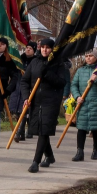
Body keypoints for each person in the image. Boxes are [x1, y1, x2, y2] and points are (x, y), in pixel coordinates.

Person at [21, 38, 70, 172]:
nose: (44, 50)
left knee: (44, 130)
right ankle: (49, 156)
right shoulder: (34, 62)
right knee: (39, 130)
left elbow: (61, 82)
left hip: (51, 101)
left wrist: (47, 73)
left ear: (52, 49)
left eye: (48, 47)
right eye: (42, 47)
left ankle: (35, 162)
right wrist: (26, 97)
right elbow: (24, 81)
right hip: (35, 101)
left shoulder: (58, 64)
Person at [69, 50, 97, 160]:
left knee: (96, 129)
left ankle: (95, 150)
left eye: (90, 56)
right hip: (83, 103)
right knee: (81, 128)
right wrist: (77, 96)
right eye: (86, 56)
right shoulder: (80, 70)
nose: (88, 58)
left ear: (96, 57)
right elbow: (74, 85)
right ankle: (80, 152)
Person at [9, 43, 37, 142]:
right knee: (17, 112)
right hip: (18, 87)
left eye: (30, 48)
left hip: (28, 88)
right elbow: (13, 71)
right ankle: (22, 134)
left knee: (24, 110)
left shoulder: (36, 61)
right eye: (27, 48)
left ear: (34, 50)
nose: (28, 50)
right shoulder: (19, 59)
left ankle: (18, 132)